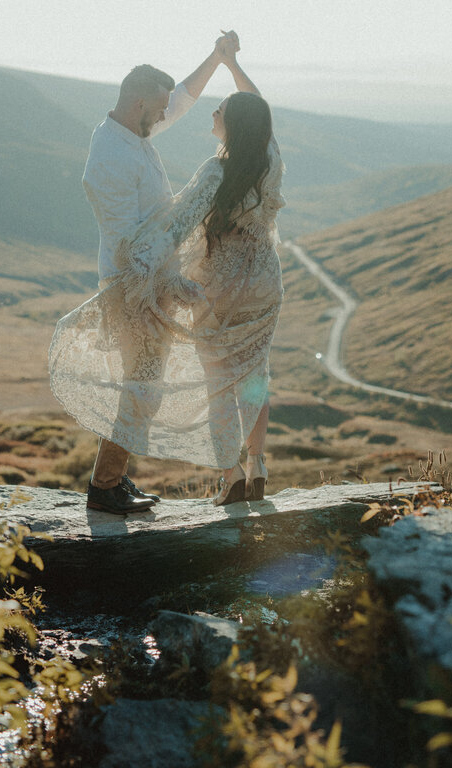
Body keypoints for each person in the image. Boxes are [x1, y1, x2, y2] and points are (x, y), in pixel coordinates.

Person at [48, 38, 284, 512]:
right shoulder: (268, 160)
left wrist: (219, 61)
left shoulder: (173, 151)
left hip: (197, 284)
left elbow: (175, 222)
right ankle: (114, 485)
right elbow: (124, 239)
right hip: (198, 284)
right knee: (179, 381)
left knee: (189, 383)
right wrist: (159, 283)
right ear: (139, 104)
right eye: (158, 109)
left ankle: (210, 476)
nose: (165, 117)